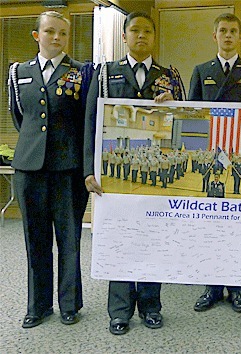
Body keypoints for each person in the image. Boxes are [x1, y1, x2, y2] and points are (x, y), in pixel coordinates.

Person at [83, 12, 184, 336]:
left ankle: (151, 306)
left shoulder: (169, 76)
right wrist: (89, 169)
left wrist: (174, 105)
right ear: (124, 36)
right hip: (115, 181)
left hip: (152, 181)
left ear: (154, 37)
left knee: (153, 242)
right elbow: (90, 123)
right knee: (120, 241)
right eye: (135, 31)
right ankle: (120, 310)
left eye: (147, 31)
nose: (141, 36)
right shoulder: (105, 74)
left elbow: (183, 116)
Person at [7, 10, 89, 329]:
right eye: (50, 32)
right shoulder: (18, 72)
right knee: (35, 239)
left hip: (67, 169)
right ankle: (37, 305)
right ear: (36, 36)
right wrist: (34, 146)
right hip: (29, 169)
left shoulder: (80, 72)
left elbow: (85, 120)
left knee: (69, 239)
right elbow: (19, 115)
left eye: (63, 33)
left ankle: (69, 304)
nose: (57, 38)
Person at [188, 13, 241, 315]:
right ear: (214, 36)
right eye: (223, 31)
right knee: (210, 226)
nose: (228, 35)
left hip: (238, 158)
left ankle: (237, 288)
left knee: (238, 227)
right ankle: (211, 287)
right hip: (211, 158)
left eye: (234, 31)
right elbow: (193, 113)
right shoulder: (201, 71)